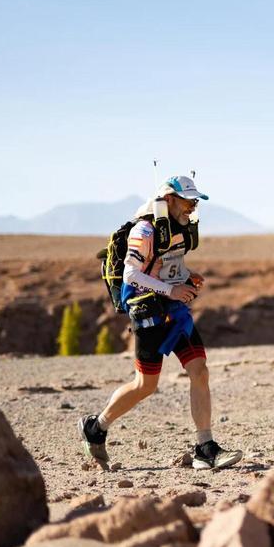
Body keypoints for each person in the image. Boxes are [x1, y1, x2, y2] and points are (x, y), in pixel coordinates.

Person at [78, 175, 243, 470]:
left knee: (199, 370)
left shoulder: (177, 229)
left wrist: (186, 277)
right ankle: (96, 426)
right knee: (145, 385)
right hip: (149, 312)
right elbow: (131, 274)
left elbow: (166, 265)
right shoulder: (144, 230)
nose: (192, 207)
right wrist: (172, 290)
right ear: (168, 199)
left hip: (176, 312)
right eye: (187, 201)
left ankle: (205, 448)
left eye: (194, 202)